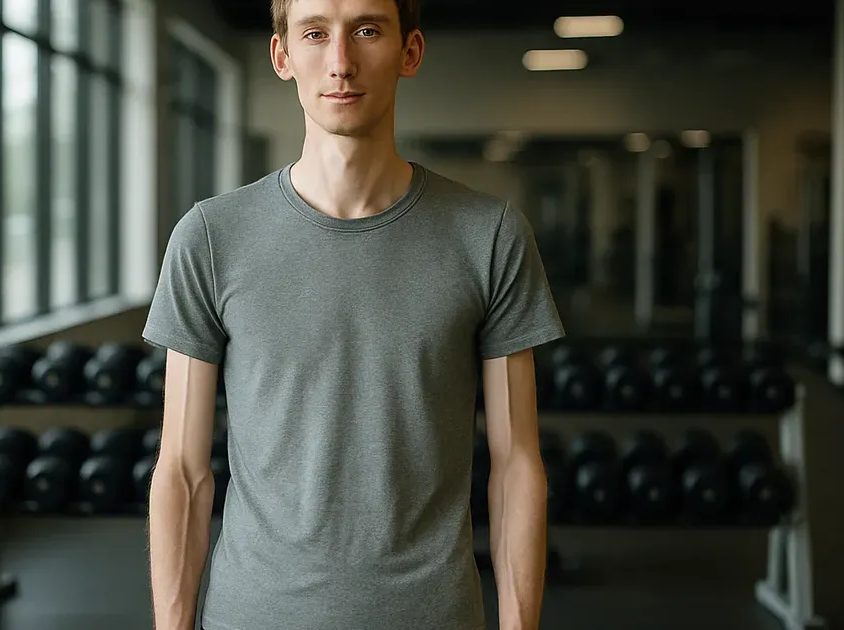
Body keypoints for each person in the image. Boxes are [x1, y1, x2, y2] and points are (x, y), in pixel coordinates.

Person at [141, 1, 564, 628]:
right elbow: (180, 469)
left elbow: (517, 466)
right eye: (315, 34)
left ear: (410, 52)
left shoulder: (489, 235)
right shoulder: (210, 237)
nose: (340, 62)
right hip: (254, 614)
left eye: (367, 31)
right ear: (283, 56)